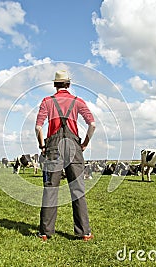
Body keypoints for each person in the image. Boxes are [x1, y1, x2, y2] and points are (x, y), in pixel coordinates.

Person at [35, 70, 96, 241]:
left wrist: (42, 145)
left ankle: (45, 233)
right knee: (78, 190)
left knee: (50, 189)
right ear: (68, 84)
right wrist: (84, 143)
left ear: (55, 85)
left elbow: (38, 127)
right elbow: (92, 124)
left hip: (53, 148)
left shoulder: (47, 101)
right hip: (74, 148)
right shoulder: (78, 102)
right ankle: (84, 232)